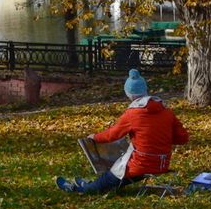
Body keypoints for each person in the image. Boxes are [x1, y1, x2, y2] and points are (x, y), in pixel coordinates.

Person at [56, 69, 189, 194]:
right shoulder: (167, 112)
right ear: (145, 90)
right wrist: (161, 137)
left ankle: (82, 189)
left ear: (129, 94)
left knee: (111, 175)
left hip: (141, 164)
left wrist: (95, 137)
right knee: (116, 175)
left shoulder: (133, 113)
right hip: (161, 164)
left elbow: (113, 135)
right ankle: (91, 184)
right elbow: (183, 138)